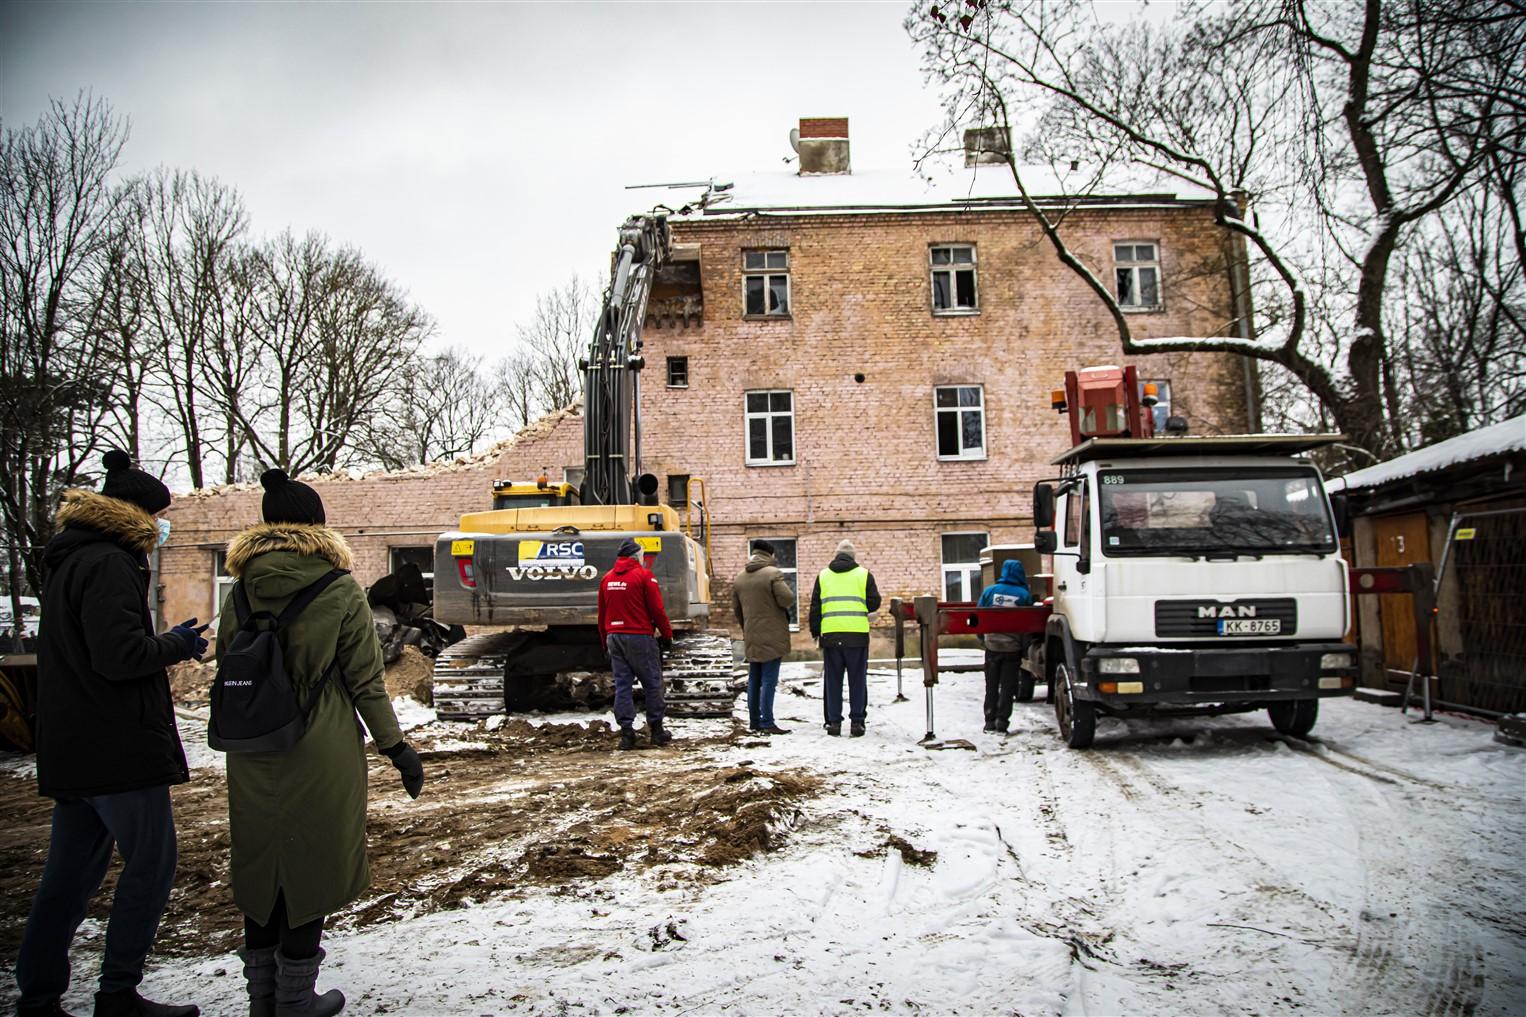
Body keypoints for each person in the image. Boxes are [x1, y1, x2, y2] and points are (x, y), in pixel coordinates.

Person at [218, 469, 424, 1017]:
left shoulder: (239, 590)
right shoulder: (338, 589)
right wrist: (396, 749)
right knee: (312, 863)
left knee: (261, 864)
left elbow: (227, 662)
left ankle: (262, 998)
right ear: (318, 523)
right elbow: (365, 683)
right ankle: (296, 999)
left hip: (252, 743)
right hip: (319, 743)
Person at [17, 450, 206, 1017]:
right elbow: (119, 656)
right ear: (136, 516)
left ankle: (38, 997)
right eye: (159, 517)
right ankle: (118, 992)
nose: (162, 527)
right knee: (151, 864)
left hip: (74, 746)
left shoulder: (69, 559)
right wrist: (177, 644)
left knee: (68, 878)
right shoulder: (109, 563)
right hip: (117, 747)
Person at [597, 538, 675, 750]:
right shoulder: (644, 576)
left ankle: (627, 734)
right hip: (639, 637)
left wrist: (604, 642)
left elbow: (602, 614)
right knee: (652, 683)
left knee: (623, 686)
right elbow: (657, 610)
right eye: (642, 555)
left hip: (614, 637)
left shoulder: (607, 579)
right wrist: (667, 635)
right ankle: (657, 731)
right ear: (636, 556)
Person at [807, 540, 881, 737]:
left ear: (836, 555)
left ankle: (834, 723)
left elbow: (815, 607)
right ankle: (857, 723)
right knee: (857, 680)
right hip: (857, 635)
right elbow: (874, 603)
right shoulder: (864, 575)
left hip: (831, 635)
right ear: (853, 557)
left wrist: (816, 633)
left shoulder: (823, 576)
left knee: (833, 681)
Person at [731, 539, 794, 735]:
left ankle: (754, 721)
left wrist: (747, 627)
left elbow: (737, 610)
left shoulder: (740, 578)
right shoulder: (773, 574)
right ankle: (767, 721)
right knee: (768, 680)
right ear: (770, 554)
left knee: (754, 679)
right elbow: (787, 599)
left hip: (751, 634)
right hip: (772, 635)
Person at [977, 559, 1034, 734]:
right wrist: (1024, 648)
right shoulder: (1023, 595)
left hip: (992, 646)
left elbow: (979, 616)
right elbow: (1029, 624)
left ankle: (989, 721)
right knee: (1008, 687)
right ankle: (1002, 721)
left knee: (991, 686)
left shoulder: (990, 591)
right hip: (1012, 648)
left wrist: (983, 639)